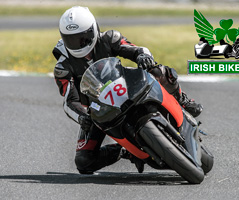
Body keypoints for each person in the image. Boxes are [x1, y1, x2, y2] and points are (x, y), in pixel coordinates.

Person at [52, 6, 203, 174]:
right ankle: (126, 151)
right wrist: (82, 116)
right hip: (97, 111)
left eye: (83, 38)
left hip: (124, 87)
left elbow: (137, 49)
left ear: (94, 30)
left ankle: (180, 98)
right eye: (71, 40)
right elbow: (69, 101)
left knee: (157, 71)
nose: (79, 45)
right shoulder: (63, 67)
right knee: (84, 161)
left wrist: (143, 56)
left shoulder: (110, 38)